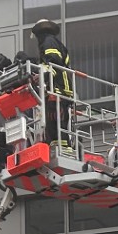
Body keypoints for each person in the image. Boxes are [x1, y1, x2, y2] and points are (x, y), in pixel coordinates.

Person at [31, 17, 75, 147]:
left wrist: (42, 76)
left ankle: (60, 146)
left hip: (58, 87)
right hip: (59, 87)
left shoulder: (48, 42)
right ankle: (58, 145)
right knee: (56, 119)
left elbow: (54, 62)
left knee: (55, 118)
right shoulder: (53, 42)